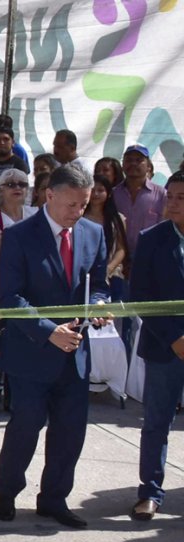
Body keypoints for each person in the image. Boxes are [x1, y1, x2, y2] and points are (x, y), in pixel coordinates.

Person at [0, 164, 110, 529]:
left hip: (75, 354)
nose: (78, 213)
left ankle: (54, 499)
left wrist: (102, 305)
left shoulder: (93, 233)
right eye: (72, 205)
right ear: (50, 196)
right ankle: (7, 490)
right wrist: (48, 330)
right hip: (32, 353)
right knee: (26, 426)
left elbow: (101, 283)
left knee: (70, 430)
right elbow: (10, 298)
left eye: (83, 205)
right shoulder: (19, 236)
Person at [127, 170, 184, 522]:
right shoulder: (151, 239)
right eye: (171, 197)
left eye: (181, 198)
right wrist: (176, 339)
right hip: (166, 347)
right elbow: (141, 297)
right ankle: (150, 491)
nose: (172, 203)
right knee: (156, 421)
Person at [0, 168, 38, 421]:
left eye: (23, 184)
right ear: (0, 189)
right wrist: (23, 247)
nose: (18, 187)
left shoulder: (35, 214)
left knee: (25, 347)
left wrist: (10, 243)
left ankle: (17, 401)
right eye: (11, 183)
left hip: (26, 291)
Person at [84, 175, 128, 302]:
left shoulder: (117, 218)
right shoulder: (79, 218)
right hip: (86, 273)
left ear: (108, 193)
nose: (95, 194)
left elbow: (121, 249)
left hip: (112, 274)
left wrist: (108, 268)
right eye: (92, 190)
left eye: (100, 190)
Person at [115, 144, 165, 256]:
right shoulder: (113, 194)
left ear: (148, 166)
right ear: (122, 165)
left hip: (151, 258)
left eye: (139, 160)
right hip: (118, 261)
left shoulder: (161, 195)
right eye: (129, 160)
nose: (133, 163)